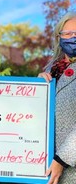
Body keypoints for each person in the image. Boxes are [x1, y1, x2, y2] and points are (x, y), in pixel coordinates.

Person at [38, 11, 76, 184]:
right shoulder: (50, 70)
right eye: (67, 34)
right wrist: (37, 90)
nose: (72, 38)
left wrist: (62, 160)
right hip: (45, 167)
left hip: (69, 171)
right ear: (59, 37)